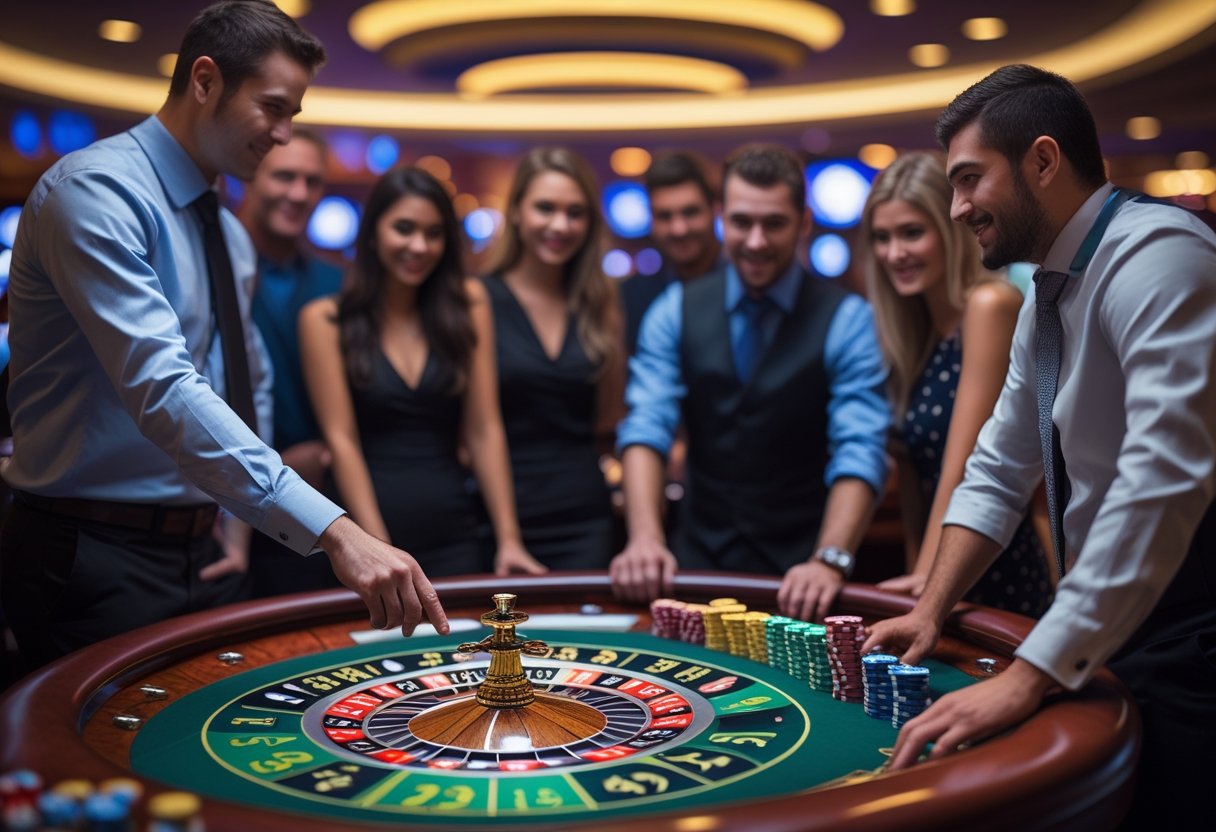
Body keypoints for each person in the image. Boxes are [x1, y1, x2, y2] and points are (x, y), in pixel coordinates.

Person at [0, 0, 447, 670]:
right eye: (273, 108)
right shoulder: (96, 192)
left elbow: (245, 379)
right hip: (90, 547)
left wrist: (237, 521)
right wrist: (334, 529)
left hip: (202, 549)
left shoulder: (228, 233)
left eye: (294, 114)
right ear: (205, 80)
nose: (284, 135)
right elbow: (164, 388)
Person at [862, 65, 1216, 827]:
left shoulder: (1160, 258)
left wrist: (1032, 673)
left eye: (969, 180)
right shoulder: (1048, 293)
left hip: (1195, 630)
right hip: (1118, 620)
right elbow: (998, 469)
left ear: (1044, 161)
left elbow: (1160, 484)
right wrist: (931, 608)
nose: (957, 208)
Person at [610, 144, 889, 621]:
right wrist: (644, 538)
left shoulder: (848, 318)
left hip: (803, 574)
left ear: (803, 223)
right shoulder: (675, 309)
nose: (756, 241)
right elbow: (646, 428)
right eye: (742, 222)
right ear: (722, 219)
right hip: (695, 565)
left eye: (774, 223)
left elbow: (861, 448)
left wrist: (830, 558)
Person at [299, 167, 535, 578]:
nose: (419, 246)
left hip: (454, 528)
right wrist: (376, 547)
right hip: (364, 535)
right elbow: (342, 441)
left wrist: (509, 538)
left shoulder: (469, 304)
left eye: (434, 233)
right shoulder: (324, 320)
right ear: (373, 233)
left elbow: (484, 429)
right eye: (404, 228)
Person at [863, 151, 1052, 617]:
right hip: (937, 575)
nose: (894, 253)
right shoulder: (913, 335)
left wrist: (928, 590)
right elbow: (916, 488)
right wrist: (915, 585)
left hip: (993, 569)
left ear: (949, 231)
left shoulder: (989, 304)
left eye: (912, 232)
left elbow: (963, 464)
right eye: (882, 237)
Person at [481, 147, 625, 572]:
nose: (560, 225)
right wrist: (507, 535)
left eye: (575, 212)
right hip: (498, 517)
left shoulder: (601, 302)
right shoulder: (479, 298)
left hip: (585, 516)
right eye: (545, 208)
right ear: (516, 212)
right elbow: (476, 428)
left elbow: (610, 420)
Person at [236, 128, 345, 596]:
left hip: (325, 502)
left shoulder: (338, 282)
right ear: (250, 176)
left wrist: (327, 450)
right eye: (284, 176)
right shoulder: (212, 271)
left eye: (312, 181)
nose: (299, 194)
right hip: (225, 507)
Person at [621, 151, 724, 355]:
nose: (679, 229)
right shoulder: (631, 297)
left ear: (715, 209)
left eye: (690, 212)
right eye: (664, 216)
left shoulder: (746, 286)